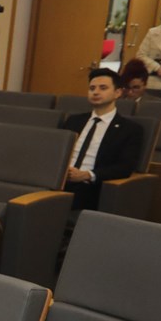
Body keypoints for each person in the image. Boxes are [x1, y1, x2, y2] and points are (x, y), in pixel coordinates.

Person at [58, 67, 145, 212]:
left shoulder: (130, 129)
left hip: (90, 186)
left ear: (118, 92)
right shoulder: (74, 121)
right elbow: (56, 152)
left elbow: (125, 167)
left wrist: (87, 175)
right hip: (60, 179)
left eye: (103, 88)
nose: (96, 92)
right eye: (92, 88)